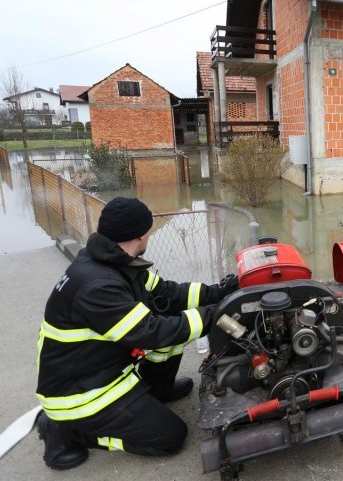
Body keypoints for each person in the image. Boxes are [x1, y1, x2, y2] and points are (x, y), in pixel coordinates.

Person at [35, 197, 240, 470]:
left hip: (100, 369)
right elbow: (150, 332)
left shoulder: (115, 263)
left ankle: (158, 391)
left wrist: (221, 292)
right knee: (171, 437)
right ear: (142, 234)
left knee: (171, 326)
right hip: (82, 394)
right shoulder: (98, 286)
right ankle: (67, 430)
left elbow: (168, 295)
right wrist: (212, 316)